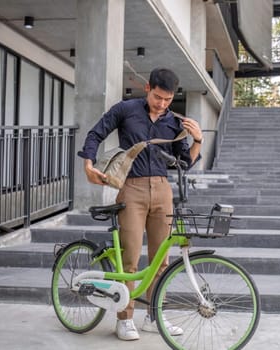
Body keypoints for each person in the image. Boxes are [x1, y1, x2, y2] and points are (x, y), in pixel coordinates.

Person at [77, 68, 203, 341]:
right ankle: (125, 318)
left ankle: (154, 317)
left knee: (162, 261)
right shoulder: (126, 109)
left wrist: (198, 140)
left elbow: (184, 164)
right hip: (131, 189)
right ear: (148, 88)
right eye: (158, 97)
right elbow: (95, 134)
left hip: (162, 191)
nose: (162, 104)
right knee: (130, 259)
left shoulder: (173, 122)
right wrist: (88, 163)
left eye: (168, 100)